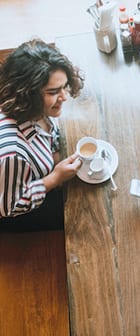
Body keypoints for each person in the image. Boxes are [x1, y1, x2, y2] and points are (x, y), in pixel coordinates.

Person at [0, 39, 84, 231]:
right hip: (18, 214)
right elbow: (9, 206)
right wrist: (54, 178)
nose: (64, 97)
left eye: (64, 86)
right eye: (54, 91)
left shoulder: (34, 109)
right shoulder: (12, 154)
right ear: (28, 93)